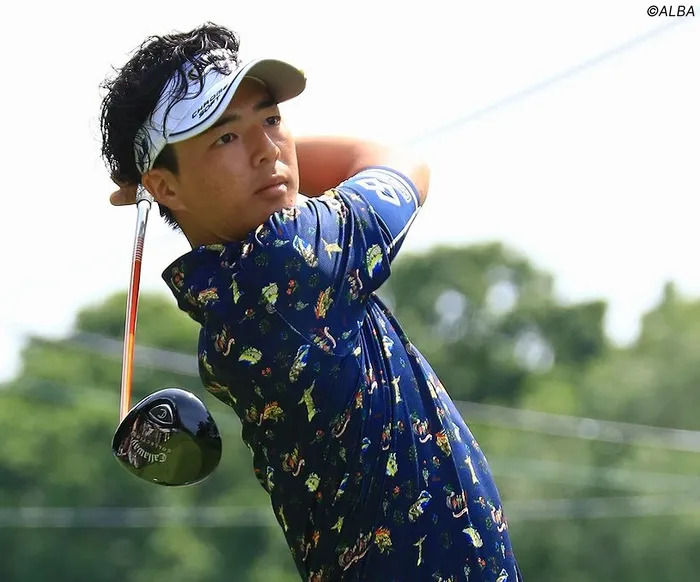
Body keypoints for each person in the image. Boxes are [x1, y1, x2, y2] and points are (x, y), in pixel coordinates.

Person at [100, 21, 524, 582]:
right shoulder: (293, 261)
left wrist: (173, 186)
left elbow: (272, 176)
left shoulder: (227, 303)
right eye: (225, 137)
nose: (266, 150)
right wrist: (192, 179)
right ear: (165, 186)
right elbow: (398, 162)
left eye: (271, 120)